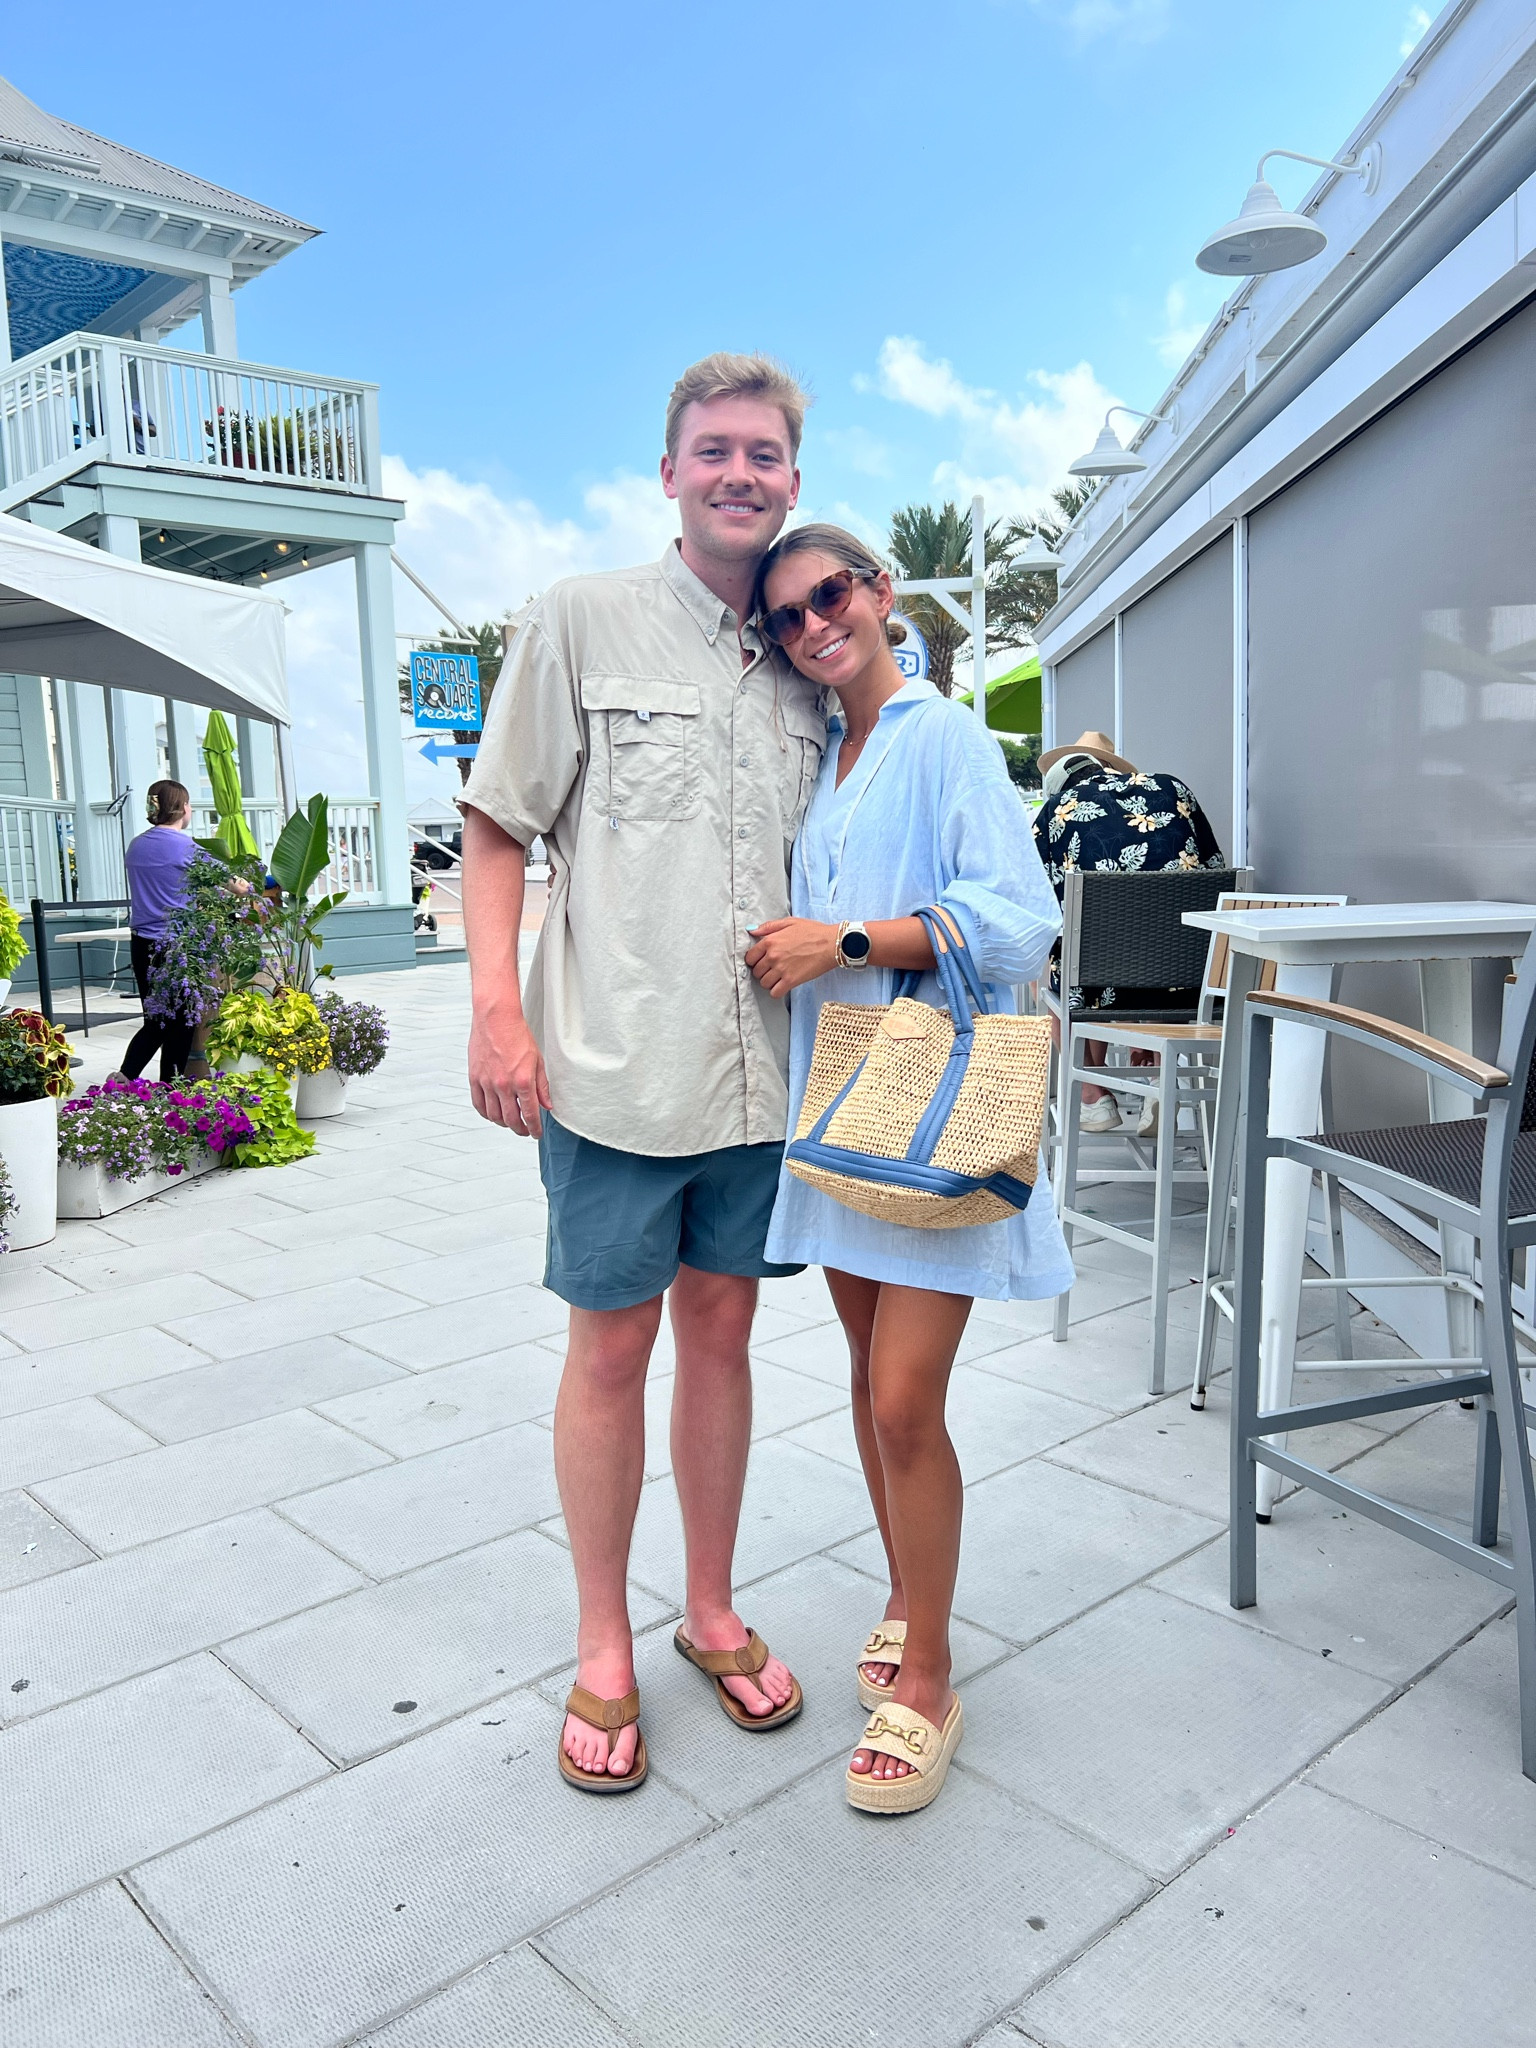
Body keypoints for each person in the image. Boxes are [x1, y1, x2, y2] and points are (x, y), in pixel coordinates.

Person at [460, 353, 824, 1793]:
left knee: (724, 1337)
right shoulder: (579, 618)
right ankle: (605, 1637)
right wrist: (497, 1008)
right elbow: (499, 824)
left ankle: (710, 1608)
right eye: (715, 449)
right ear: (669, 471)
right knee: (612, 1346)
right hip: (616, 1062)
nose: (742, 472)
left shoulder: (812, 648)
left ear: (794, 475)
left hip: (763, 1080)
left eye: (767, 453)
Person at [744, 525, 1072, 1815]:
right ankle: (904, 1594)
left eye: (831, 595)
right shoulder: (835, 751)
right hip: (844, 1103)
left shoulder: (939, 736)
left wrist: (848, 940)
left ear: (881, 593)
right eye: (786, 616)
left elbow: (1018, 911)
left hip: (929, 1102)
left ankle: (928, 1674)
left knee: (899, 1403)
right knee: (868, 1381)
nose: (814, 623)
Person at [1032, 730, 1226, 1136]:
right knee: (1161, 944)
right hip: (1189, 983)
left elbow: (1040, 910)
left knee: (1055, 974)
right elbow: (1215, 871)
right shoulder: (1173, 788)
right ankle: (1158, 1071)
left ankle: (1093, 1095)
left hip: (1098, 984)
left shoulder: (1053, 814)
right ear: (1105, 768)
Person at [120, 779, 199, 1081]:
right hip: (177, 949)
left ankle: (123, 1080)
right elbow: (232, 883)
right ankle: (171, 1092)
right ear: (181, 808)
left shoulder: (136, 845)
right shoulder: (187, 847)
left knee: (155, 1020)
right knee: (183, 1023)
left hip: (142, 945)